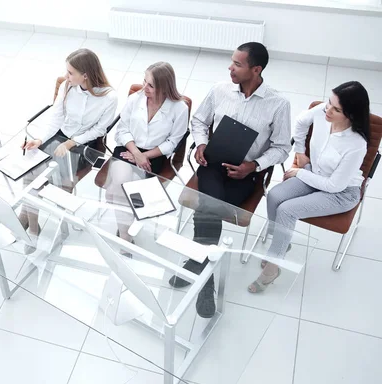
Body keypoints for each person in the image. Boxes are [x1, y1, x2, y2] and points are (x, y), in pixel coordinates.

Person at [167, 42, 291, 318]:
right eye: (231, 61)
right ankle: (206, 284)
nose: (230, 68)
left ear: (256, 70)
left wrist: (253, 165)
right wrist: (200, 144)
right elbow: (199, 121)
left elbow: (283, 147)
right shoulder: (219, 90)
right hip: (212, 164)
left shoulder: (278, 104)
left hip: (244, 174)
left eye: (238, 64)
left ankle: (197, 263)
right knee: (211, 204)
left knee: (207, 207)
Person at [248, 81, 369, 293]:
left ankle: (273, 267)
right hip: (315, 173)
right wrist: (301, 151)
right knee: (275, 196)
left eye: (336, 109)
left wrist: (300, 172)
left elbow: (333, 185)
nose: (327, 109)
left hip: (340, 193)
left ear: (351, 115)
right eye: (329, 103)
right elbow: (301, 122)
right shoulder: (322, 111)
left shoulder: (356, 144)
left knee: (287, 209)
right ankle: (281, 242)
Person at [19, 48, 118, 252]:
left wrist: (72, 143)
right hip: (59, 138)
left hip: (85, 145)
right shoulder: (67, 86)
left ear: (86, 75)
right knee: (30, 171)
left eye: (70, 72)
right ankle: (34, 229)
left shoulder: (109, 97)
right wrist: (40, 139)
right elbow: (56, 117)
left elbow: (99, 130)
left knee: (51, 178)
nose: (66, 76)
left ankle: (25, 218)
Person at [105, 61, 188, 252]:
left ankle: (123, 228)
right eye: (144, 81)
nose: (144, 88)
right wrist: (136, 153)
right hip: (128, 148)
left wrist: (145, 156)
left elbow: (172, 143)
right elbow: (122, 130)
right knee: (122, 183)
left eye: (150, 85)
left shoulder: (180, 109)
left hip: (155, 156)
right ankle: (126, 237)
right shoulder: (136, 99)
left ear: (165, 87)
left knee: (124, 189)